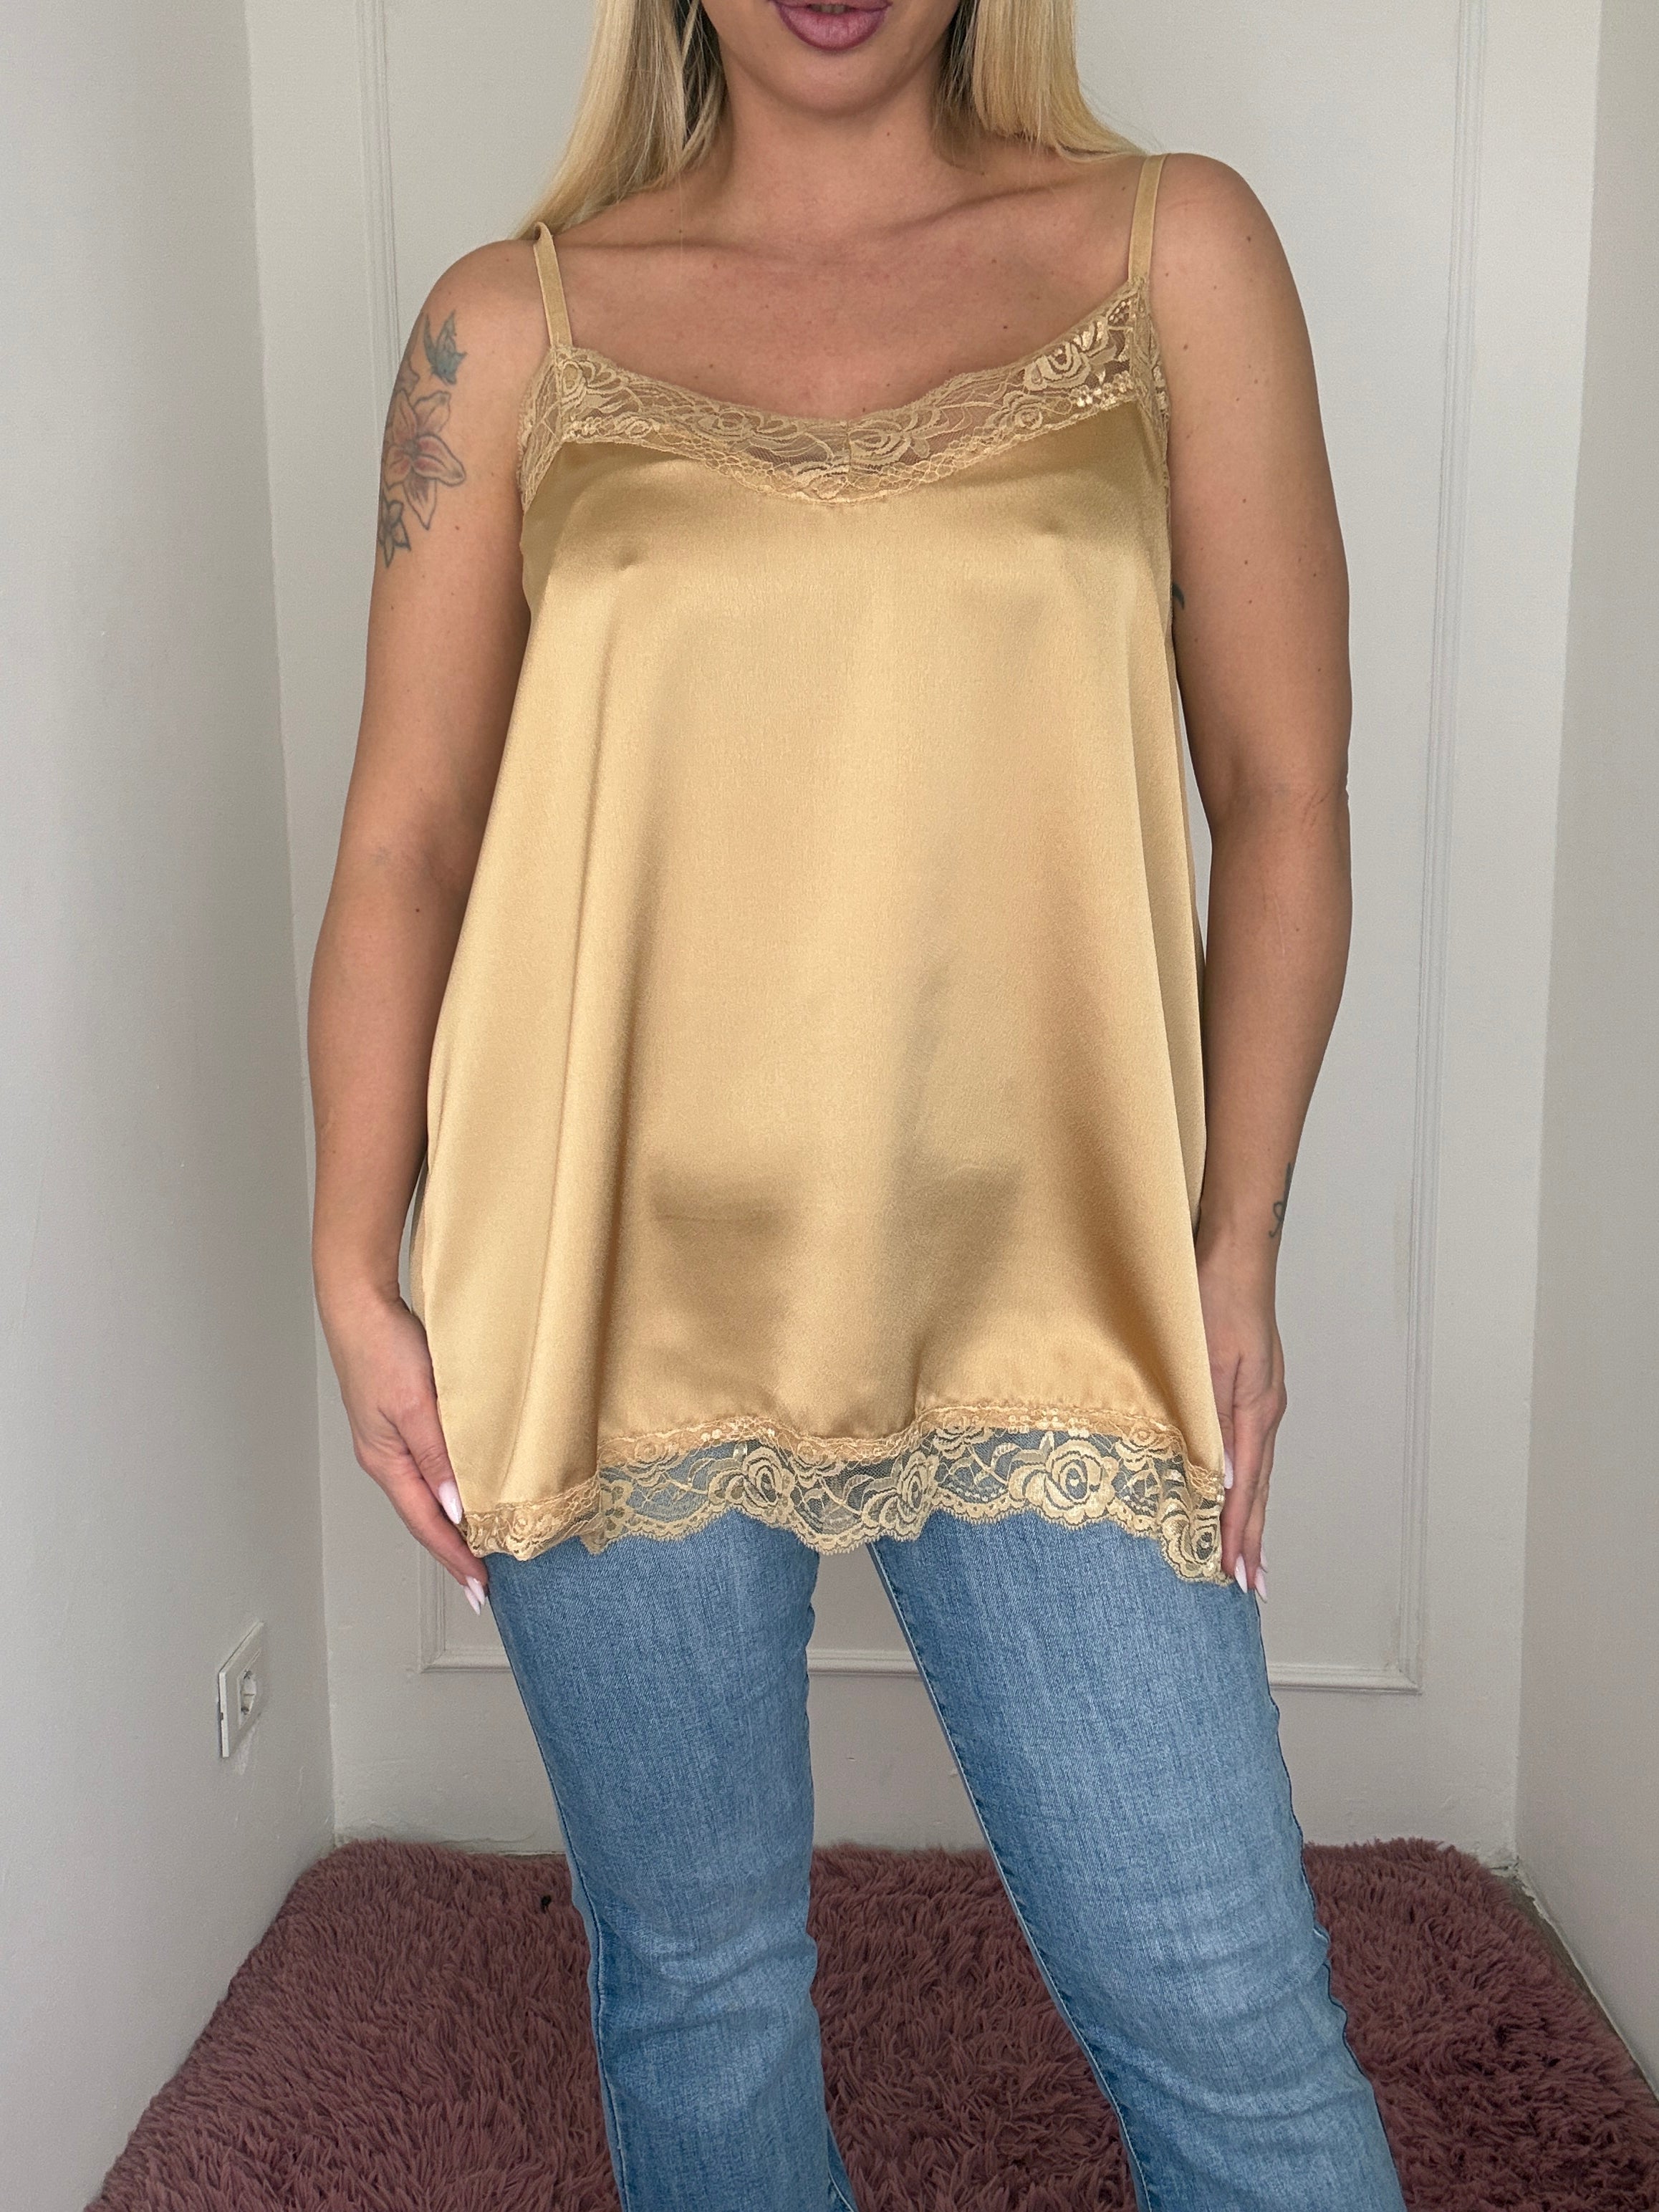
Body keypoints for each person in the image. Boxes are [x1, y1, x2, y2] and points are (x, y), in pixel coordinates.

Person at [308, 1, 1408, 2206]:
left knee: (1226, 2016)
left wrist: (1236, 1245)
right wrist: (352, 1262)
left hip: (1051, 1279)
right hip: (602, 1269)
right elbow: (408, 837)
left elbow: (1282, 785)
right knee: (698, 1982)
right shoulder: (504, 331)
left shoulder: (1169, 254)